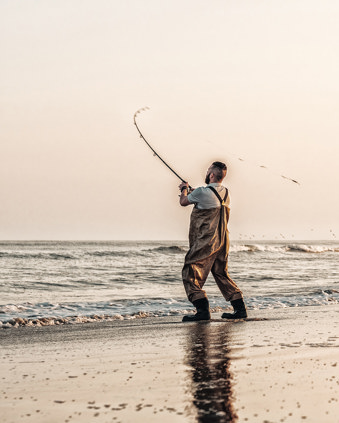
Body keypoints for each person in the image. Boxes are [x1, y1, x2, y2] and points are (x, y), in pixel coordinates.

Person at [179, 161, 247, 322]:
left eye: (208, 170)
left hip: (207, 239)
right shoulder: (226, 192)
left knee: (190, 270)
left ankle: (202, 311)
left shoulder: (202, 192)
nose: (207, 171)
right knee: (220, 272)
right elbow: (207, 197)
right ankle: (240, 309)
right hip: (223, 239)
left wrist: (183, 189)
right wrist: (193, 191)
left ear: (211, 174)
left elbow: (183, 202)